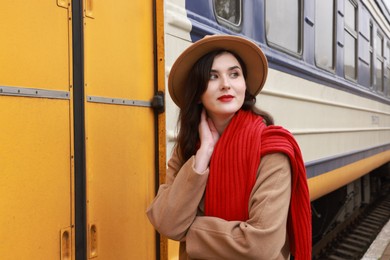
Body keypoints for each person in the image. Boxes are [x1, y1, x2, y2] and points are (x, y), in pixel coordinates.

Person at [147, 35, 312, 260]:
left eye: (234, 74)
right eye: (212, 76)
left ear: (244, 85)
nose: (226, 84)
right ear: (197, 94)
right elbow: (167, 223)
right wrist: (203, 156)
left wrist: (188, 230)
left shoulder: (271, 150)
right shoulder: (188, 151)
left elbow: (259, 247)